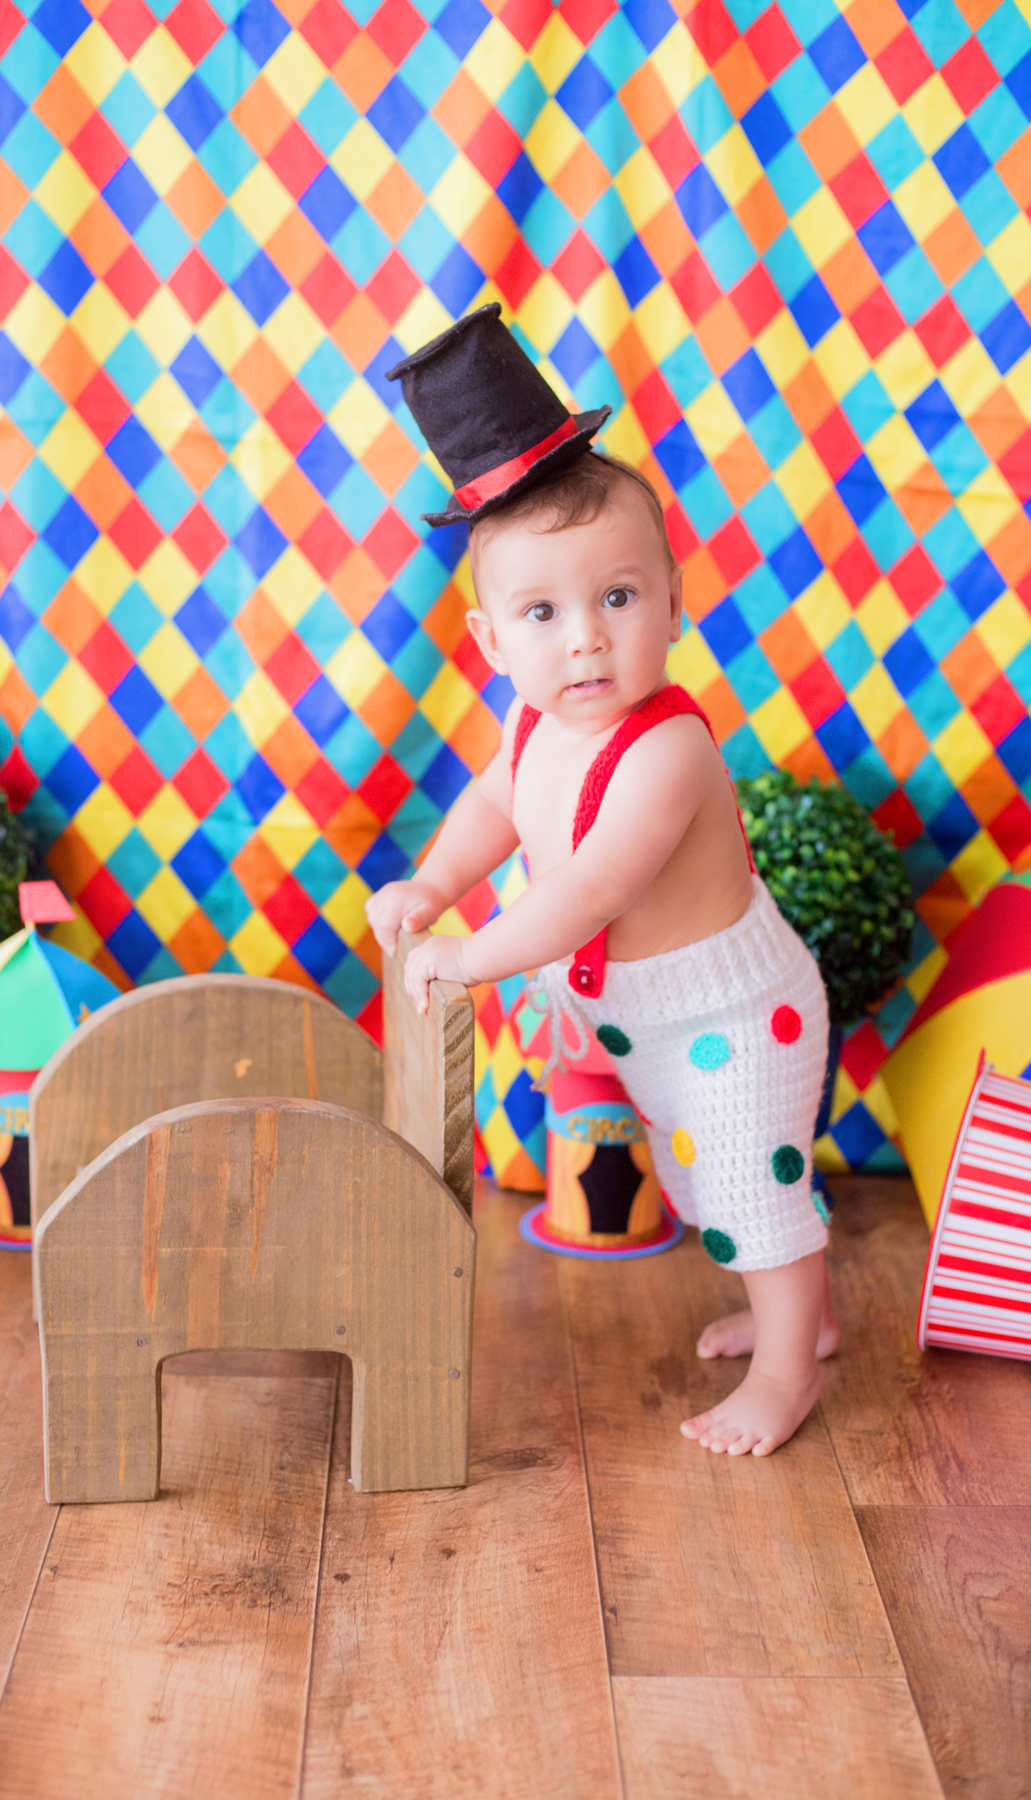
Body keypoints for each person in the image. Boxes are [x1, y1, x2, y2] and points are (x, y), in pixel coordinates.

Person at [365, 305, 836, 1457]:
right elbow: (492, 811)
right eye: (544, 612)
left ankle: (789, 1369)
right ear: (491, 640)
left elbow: (586, 891)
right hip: (644, 1017)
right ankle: (797, 1317)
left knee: (748, 1186)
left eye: (618, 598)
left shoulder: (668, 749)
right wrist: (432, 883)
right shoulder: (533, 727)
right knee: (710, 1183)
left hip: (736, 1012)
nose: (585, 640)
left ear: (675, 601)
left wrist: (469, 953)